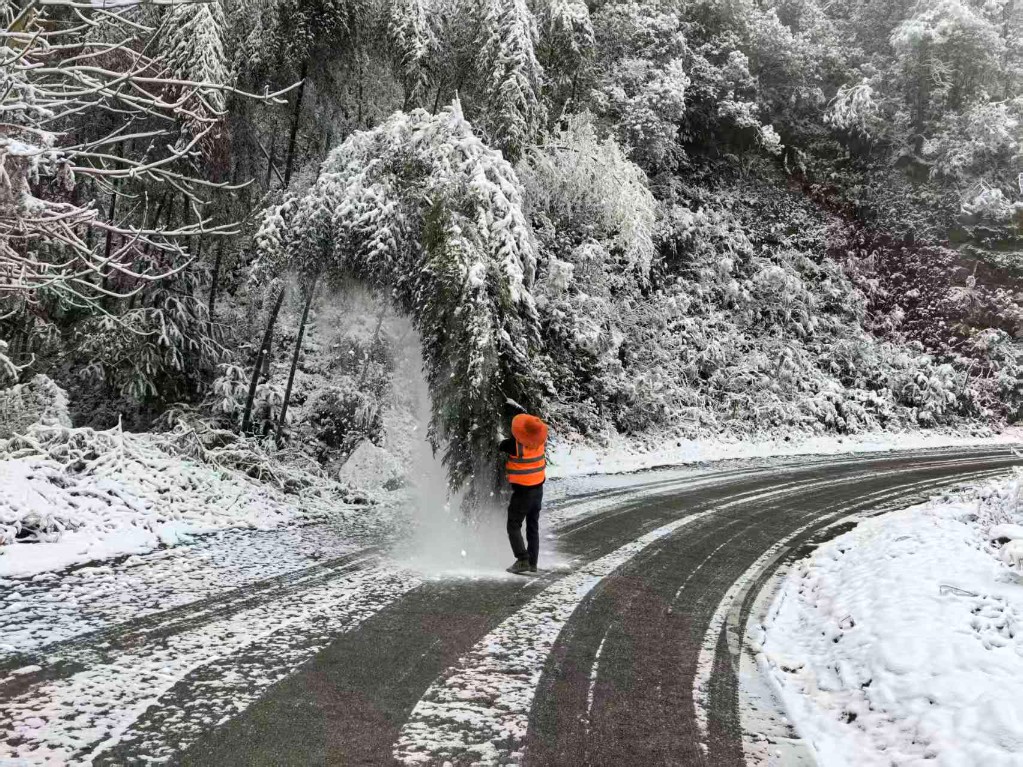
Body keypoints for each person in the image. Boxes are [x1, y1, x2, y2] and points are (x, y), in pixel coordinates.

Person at [499, 413, 548, 574]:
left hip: (523, 492)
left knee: (513, 524)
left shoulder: (514, 446)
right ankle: (533, 562)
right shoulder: (540, 443)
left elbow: (499, 444)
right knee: (532, 526)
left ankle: (522, 559)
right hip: (538, 490)